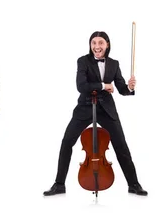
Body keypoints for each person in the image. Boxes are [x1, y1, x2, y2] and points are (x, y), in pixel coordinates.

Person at [42, 31, 148, 196]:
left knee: (121, 145)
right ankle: (59, 184)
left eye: (100, 43)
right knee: (67, 142)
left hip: (106, 109)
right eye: (94, 43)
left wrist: (130, 88)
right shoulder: (83, 61)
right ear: (90, 45)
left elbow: (121, 88)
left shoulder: (114, 63)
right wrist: (103, 86)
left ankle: (133, 184)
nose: (97, 46)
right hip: (85, 107)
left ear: (107, 45)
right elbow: (81, 86)